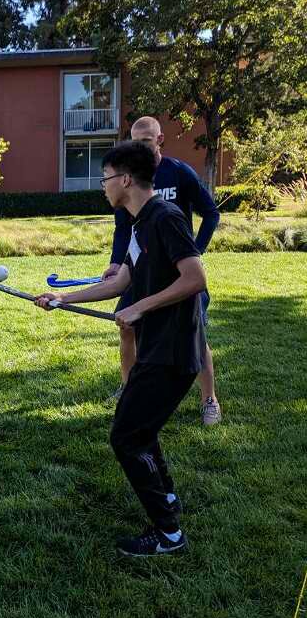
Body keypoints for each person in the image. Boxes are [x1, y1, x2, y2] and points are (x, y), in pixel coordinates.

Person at [37, 141, 206, 556]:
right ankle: (166, 502)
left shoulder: (165, 218)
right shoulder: (137, 224)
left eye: (106, 178)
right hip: (155, 348)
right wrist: (62, 300)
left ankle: (168, 535)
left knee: (127, 436)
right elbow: (119, 283)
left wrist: (140, 308)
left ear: (125, 179)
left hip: (173, 350)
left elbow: (195, 278)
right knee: (139, 429)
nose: (102, 186)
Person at [103, 116, 222, 426]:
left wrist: (193, 251)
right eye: (134, 141)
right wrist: (116, 265)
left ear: (159, 140)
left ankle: (209, 398)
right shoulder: (135, 207)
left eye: (145, 141)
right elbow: (125, 234)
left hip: (179, 270)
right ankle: (131, 390)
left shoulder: (175, 181)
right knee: (130, 327)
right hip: (144, 266)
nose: (138, 147)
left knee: (195, 336)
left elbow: (210, 214)